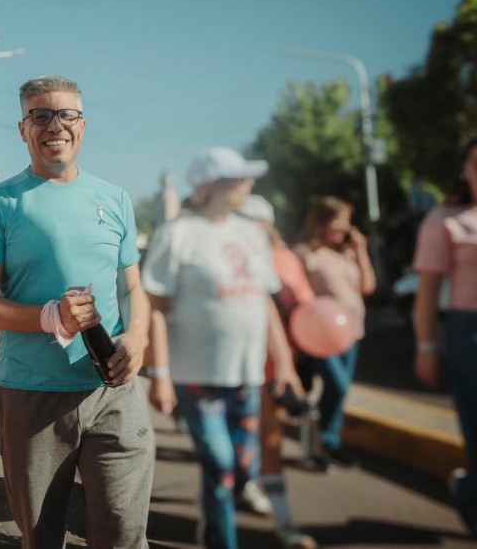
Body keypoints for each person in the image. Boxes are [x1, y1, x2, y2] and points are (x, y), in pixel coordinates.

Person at [0, 75, 155, 549]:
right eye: (40, 115)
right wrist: (51, 317)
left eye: (67, 114)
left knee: (124, 535)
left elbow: (132, 286)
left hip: (113, 391)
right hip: (33, 393)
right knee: (44, 538)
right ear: (23, 128)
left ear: (83, 125)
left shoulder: (115, 199)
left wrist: (138, 337)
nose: (55, 125)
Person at [142, 147, 303, 549]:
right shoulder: (176, 234)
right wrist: (159, 375)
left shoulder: (251, 233)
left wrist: (283, 363)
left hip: (247, 375)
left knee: (242, 467)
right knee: (221, 464)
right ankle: (221, 540)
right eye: (241, 179)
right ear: (213, 186)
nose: (249, 185)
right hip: (196, 375)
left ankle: (217, 519)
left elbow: (265, 301)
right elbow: (156, 309)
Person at [236, 195, 317, 549]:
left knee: (269, 440)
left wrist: (289, 361)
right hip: (230, 366)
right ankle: (240, 492)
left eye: (252, 221)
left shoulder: (284, 260)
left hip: (270, 366)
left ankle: (284, 522)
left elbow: (308, 311)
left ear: (267, 224)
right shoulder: (226, 255)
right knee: (234, 442)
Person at [413, 138, 477, 537]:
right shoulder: (446, 220)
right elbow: (427, 293)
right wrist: (426, 346)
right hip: (469, 332)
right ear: (466, 171)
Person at [294, 196, 376, 468]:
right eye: (340, 220)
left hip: (353, 332)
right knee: (337, 386)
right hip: (322, 334)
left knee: (339, 390)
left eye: (348, 222)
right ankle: (324, 441)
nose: (346, 227)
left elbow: (367, 286)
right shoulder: (306, 253)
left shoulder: (347, 253)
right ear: (323, 222)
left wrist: (361, 250)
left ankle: (329, 442)